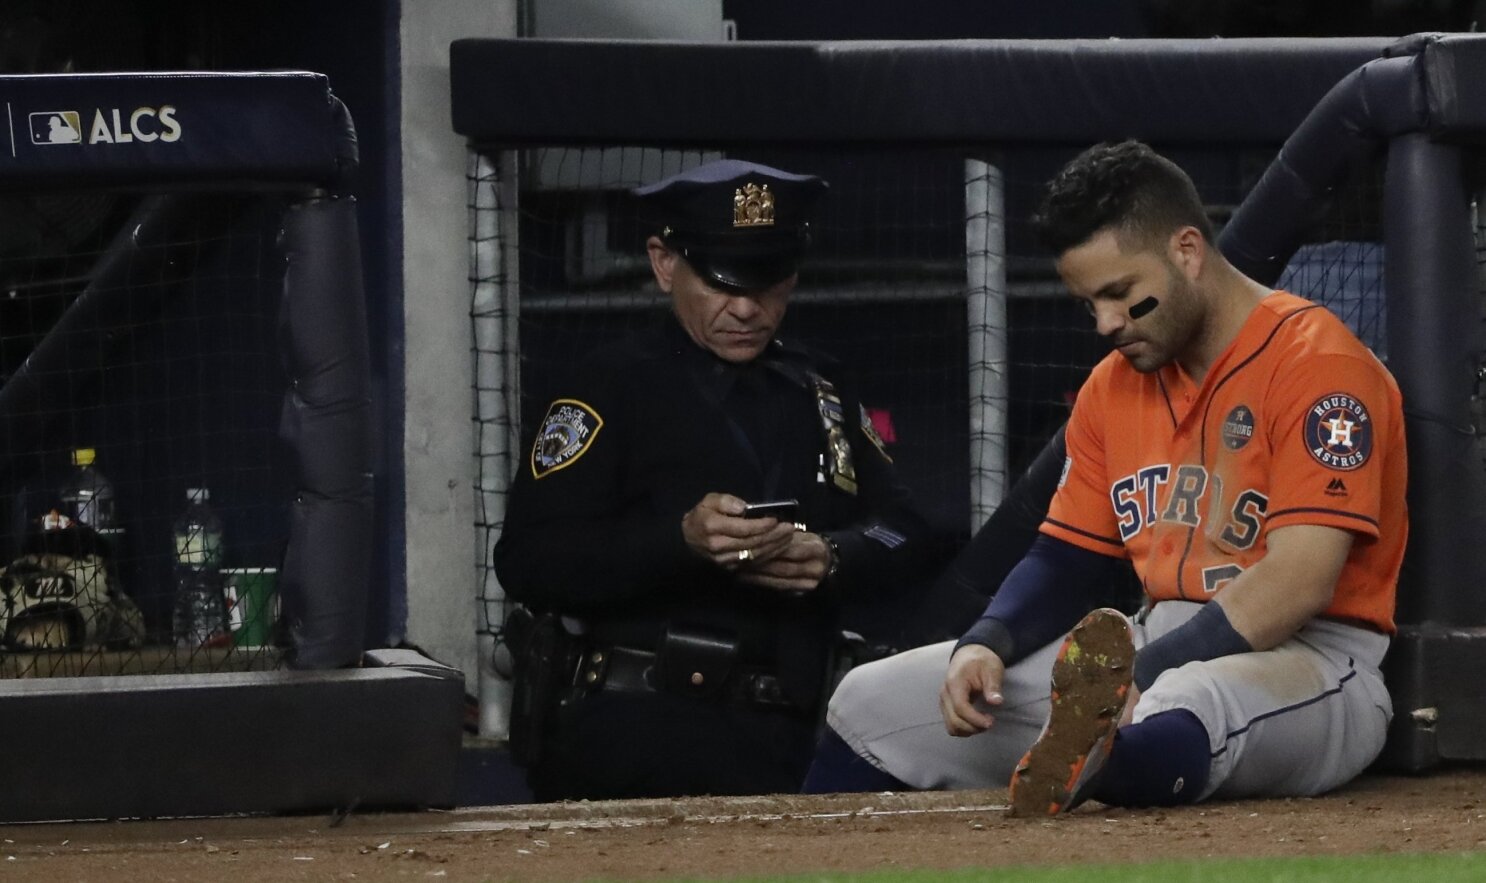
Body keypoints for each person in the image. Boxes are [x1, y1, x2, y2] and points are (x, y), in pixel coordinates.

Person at [803, 140, 1406, 816]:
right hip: (1147, 645)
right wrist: (987, 640)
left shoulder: (1319, 364)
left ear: (1186, 250)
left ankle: (1105, 759)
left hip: (1314, 664)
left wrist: (1136, 676)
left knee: (1187, 702)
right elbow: (1067, 557)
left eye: (1120, 294)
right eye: (1088, 303)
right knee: (870, 700)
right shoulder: (1112, 388)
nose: (1106, 323)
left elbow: (1298, 580)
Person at [493, 159, 930, 801]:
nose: (748, 308)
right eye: (723, 282)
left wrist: (834, 556)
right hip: (632, 739)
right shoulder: (608, 386)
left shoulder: (820, 386)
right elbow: (529, 560)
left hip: (790, 741)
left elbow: (908, 533)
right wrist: (680, 542)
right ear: (665, 262)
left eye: (769, 282)